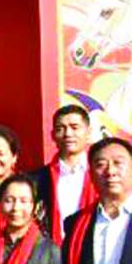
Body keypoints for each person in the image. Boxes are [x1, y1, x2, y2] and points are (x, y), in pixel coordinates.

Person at [32, 104, 96, 244]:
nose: (68, 134)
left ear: (88, 132)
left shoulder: (100, 175)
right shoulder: (37, 180)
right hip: (51, 252)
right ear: (53, 135)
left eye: (74, 127)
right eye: (61, 128)